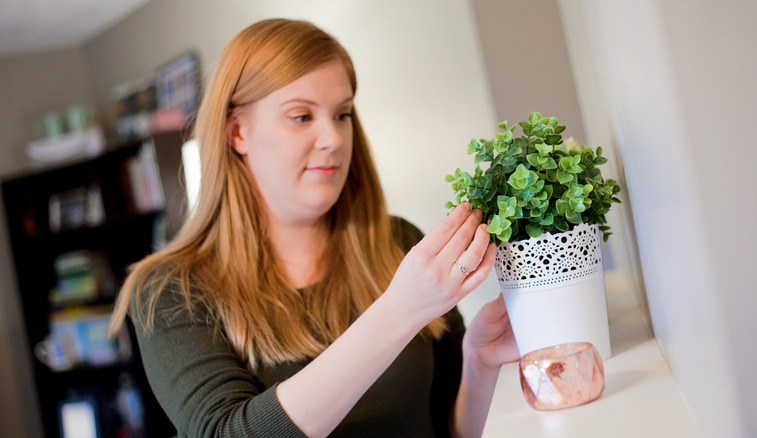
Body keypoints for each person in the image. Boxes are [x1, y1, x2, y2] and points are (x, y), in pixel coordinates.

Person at [109, 18, 520, 438]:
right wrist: (398, 312)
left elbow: (451, 429)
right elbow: (223, 432)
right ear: (237, 133)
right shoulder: (172, 290)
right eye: (301, 116)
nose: (334, 138)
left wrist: (480, 364)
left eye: (341, 114)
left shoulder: (397, 243)